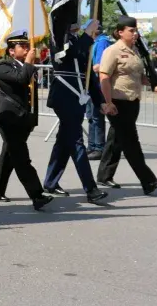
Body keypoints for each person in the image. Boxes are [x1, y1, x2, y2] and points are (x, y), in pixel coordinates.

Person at [96, 16, 157, 194]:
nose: (135, 34)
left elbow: (138, 77)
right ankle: (148, 181)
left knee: (117, 139)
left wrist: (154, 82)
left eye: (136, 31)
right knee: (131, 143)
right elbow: (104, 77)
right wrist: (108, 102)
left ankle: (104, 175)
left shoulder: (135, 51)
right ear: (120, 32)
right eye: (131, 30)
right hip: (117, 103)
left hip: (133, 102)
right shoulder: (112, 51)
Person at [0, 31, 54, 210]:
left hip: (24, 118)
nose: (26, 48)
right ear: (11, 51)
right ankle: (37, 195)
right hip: (9, 119)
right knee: (22, 158)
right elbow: (21, 80)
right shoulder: (3, 67)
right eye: (22, 46)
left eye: (27, 45)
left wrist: (33, 118)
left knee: (10, 154)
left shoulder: (25, 65)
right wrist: (30, 61)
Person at [43, 20, 108, 203]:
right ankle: (91, 189)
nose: (76, 22)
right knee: (76, 141)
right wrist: (87, 35)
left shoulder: (80, 40)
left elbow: (88, 75)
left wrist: (100, 101)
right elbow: (68, 55)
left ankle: (50, 182)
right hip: (64, 97)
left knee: (64, 141)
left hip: (78, 98)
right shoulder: (58, 40)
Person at [87, 25, 111, 159]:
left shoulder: (102, 41)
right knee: (91, 116)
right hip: (91, 84)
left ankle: (99, 147)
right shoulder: (95, 42)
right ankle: (91, 146)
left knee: (96, 117)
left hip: (98, 84)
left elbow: (98, 66)